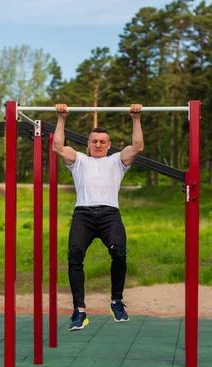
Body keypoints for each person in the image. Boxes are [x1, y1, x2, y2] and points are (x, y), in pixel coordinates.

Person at [52, 103, 144, 331]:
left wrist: (136, 118)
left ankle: (117, 301)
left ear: (109, 145)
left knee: (119, 253)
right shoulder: (79, 160)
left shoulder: (117, 161)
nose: (98, 144)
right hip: (83, 214)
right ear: (88, 143)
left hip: (109, 214)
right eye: (94, 141)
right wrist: (62, 118)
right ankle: (79, 311)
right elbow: (57, 147)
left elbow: (138, 146)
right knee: (74, 256)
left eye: (103, 141)